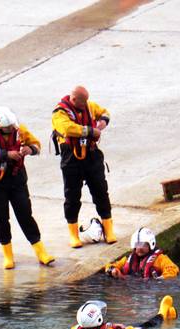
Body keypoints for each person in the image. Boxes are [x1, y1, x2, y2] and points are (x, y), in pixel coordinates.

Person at [0, 106, 55, 269]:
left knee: (25, 214)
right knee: (1, 218)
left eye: (12, 125)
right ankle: (8, 255)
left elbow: (36, 144)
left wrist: (30, 149)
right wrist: (6, 154)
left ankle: (41, 252)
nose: (12, 129)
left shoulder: (19, 129)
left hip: (17, 178)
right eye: (8, 127)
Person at [52, 85, 117, 248]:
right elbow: (67, 128)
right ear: (74, 100)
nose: (86, 106)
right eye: (82, 103)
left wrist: (102, 122)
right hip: (71, 157)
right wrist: (89, 131)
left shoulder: (88, 105)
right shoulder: (59, 113)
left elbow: (105, 112)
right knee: (72, 196)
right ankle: (73, 234)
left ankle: (108, 229)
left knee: (101, 190)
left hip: (91, 154)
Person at [70, 296, 178, 329]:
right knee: (147, 325)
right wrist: (123, 328)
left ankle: (170, 317)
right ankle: (163, 314)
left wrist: (112, 325)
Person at [104, 227, 180, 280]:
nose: (139, 248)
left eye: (143, 245)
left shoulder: (161, 259)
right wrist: (113, 270)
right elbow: (109, 266)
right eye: (137, 245)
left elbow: (173, 270)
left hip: (151, 290)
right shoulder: (127, 260)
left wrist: (160, 280)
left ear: (151, 244)